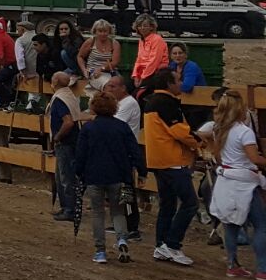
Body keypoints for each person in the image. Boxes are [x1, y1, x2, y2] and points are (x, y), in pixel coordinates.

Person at [73, 90, 144, 264]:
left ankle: (100, 251)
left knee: (98, 213)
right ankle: (121, 240)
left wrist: (78, 172)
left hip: (94, 175)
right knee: (118, 211)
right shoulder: (121, 126)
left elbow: (80, 154)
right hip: (119, 176)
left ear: (93, 107)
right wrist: (142, 171)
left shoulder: (88, 128)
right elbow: (134, 150)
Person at [143, 68, 201, 266]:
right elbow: (180, 132)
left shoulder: (152, 101)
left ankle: (162, 245)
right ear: (168, 83)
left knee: (167, 204)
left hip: (158, 160)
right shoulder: (166, 103)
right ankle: (172, 244)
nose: (180, 83)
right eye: (177, 80)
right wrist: (199, 142)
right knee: (190, 203)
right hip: (172, 160)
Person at [206, 89, 266, 279]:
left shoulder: (219, 130)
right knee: (261, 225)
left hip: (226, 179)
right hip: (244, 181)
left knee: (230, 223)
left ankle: (232, 264)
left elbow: (216, 155)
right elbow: (255, 158)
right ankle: (263, 269)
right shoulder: (244, 132)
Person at [102, 74, 145, 240]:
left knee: (126, 189)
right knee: (118, 189)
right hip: (118, 151)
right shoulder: (120, 103)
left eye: (113, 86)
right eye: (108, 86)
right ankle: (121, 223)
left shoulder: (129, 103)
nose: (109, 89)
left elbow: (114, 123)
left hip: (125, 152)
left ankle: (132, 227)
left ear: (123, 88)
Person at [47, 72, 83, 221]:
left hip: (66, 142)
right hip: (72, 141)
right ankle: (67, 207)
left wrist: (57, 136)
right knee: (63, 176)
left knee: (65, 176)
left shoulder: (59, 99)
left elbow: (68, 122)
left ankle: (70, 209)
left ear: (55, 82)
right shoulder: (69, 96)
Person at [76, 19, 120, 88]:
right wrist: (84, 70)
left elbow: (114, 62)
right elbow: (80, 56)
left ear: (109, 31)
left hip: (109, 71)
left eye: (105, 31)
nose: (103, 34)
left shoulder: (114, 43)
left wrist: (101, 68)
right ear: (95, 31)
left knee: (119, 84)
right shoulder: (90, 41)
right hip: (93, 71)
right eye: (100, 31)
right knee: (108, 85)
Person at [130, 14, 169, 88]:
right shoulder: (141, 40)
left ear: (151, 27)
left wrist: (143, 77)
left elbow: (154, 61)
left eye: (145, 26)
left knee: (140, 91)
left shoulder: (157, 39)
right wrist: (135, 76)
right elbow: (139, 60)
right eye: (140, 26)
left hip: (157, 72)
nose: (142, 28)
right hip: (143, 72)